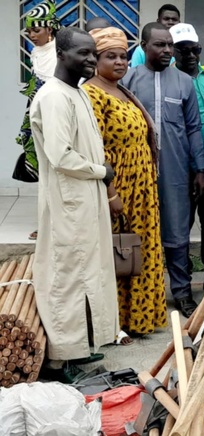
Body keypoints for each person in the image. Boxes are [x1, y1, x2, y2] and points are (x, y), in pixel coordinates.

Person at [31, 27, 118, 381]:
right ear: (62, 54)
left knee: (88, 273)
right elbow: (61, 155)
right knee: (67, 276)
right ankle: (59, 359)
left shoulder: (75, 91)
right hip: (69, 199)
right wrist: (101, 170)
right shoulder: (54, 96)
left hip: (85, 196)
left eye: (93, 53)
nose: (91, 60)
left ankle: (79, 348)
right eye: (83, 53)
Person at [83, 27, 164, 340]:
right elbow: (96, 149)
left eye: (123, 56)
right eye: (110, 56)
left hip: (142, 189)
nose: (119, 62)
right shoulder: (93, 93)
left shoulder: (122, 91)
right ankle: (113, 323)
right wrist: (111, 194)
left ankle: (139, 319)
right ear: (96, 60)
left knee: (138, 254)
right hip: (120, 190)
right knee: (118, 255)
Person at [122, 22, 204, 317]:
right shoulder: (129, 80)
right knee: (138, 234)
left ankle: (182, 293)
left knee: (177, 234)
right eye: (160, 45)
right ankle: (143, 297)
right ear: (143, 46)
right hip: (137, 173)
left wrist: (198, 169)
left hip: (175, 172)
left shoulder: (184, 82)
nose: (167, 50)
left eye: (170, 45)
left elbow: (194, 128)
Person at [171, 23, 204, 290]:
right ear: (173, 52)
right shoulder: (168, 79)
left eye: (195, 49)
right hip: (184, 171)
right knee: (181, 230)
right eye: (183, 50)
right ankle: (182, 286)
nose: (190, 55)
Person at [14, 0, 60, 201]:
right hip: (37, 111)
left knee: (57, 163)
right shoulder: (34, 52)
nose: (31, 35)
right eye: (29, 31)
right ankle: (46, 217)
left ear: (49, 28)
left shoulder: (61, 51)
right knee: (42, 165)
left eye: (36, 30)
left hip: (57, 112)